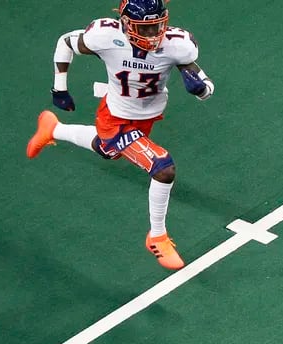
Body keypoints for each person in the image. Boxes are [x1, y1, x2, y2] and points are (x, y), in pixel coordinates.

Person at [26, 0, 215, 270]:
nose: (153, 35)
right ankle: (157, 237)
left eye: (157, 26)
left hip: (146, 117)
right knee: (163, 168)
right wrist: (59, 88)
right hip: (114, 118)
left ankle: (52, 128)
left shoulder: (177, 44)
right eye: (144, 28)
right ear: (126, 24)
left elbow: (206, 86)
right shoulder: (105, 36)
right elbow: (66, 42)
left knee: (109, 151)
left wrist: (201, 89)